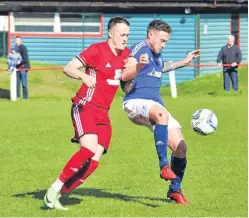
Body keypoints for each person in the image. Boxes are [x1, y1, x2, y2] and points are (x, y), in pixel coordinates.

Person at [43, 17, 147, 210]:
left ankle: (60, 192)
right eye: (122, 34)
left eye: (127, 35)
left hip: (103, 112)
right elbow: (69, 68)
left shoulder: (126, 54)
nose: (125, 38)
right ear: (110, 33)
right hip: (85, 105)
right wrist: (83, 76)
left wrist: (137, 67)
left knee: (95, 160)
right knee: (88, 149)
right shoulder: (96, 50)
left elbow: (126, 82)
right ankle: (54, 189)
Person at [121, 20, 200, 205]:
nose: (164, 45)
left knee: (181, 147)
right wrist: (134, 68)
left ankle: (175, 190)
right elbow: (124, 80)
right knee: (162, 115)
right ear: (151, 35)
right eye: (162, 40)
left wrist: (185, 61)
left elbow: (164, 66)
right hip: (135, 102)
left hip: (156, 105)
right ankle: (164, 165)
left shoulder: (157, 55)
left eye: (166, 42)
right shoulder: (137, 50)